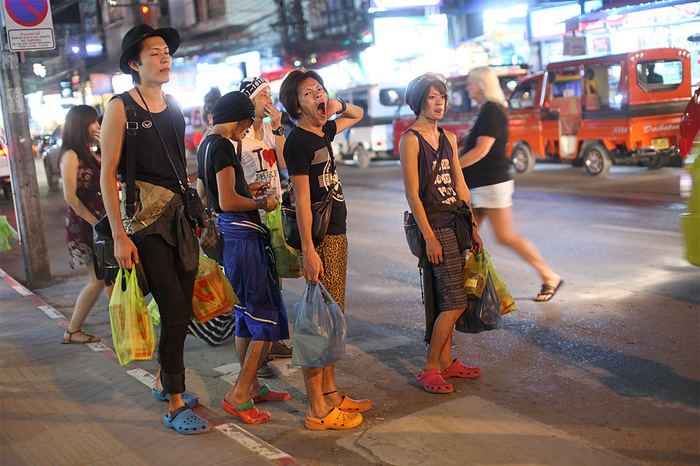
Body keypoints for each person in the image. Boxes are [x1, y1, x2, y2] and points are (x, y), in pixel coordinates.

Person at [100, 24, 210, 435]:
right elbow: (107, 176)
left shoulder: (174, 104)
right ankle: (176, 404)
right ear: (134, 63)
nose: (165, 59)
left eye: (167, 52)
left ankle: (167, 381)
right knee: (176, 310)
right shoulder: (120, 108)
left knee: (180, 312)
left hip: (179, 218)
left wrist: (197, 214)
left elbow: (179, 167)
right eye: (155, 53)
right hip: (144, 224)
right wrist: (118, 236)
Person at [279, 69, 370, 430]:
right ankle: (317, 409)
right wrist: (309, 251)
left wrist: (336, 105)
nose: (318, 96)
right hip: (320, 241)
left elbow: (357, 114)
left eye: (320, 90)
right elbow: (301, 201)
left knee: (332, 320)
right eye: (308, 94)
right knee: (319, 324)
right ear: (295, 106)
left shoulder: (322, 131)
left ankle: (332, 395)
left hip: (336, 236)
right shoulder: (297, 141)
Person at [197, 90, 291, 425]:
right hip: (242, 237)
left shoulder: (206, 143)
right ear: (238, 119)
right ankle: (238, 395)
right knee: (264, 315)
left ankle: (250, 387)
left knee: (245, 313)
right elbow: (226, 201)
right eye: (244, 126)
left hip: (231, 238)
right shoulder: (223, 145)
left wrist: (247, 191)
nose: (243, 133)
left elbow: (216, 192)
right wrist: (260, 203)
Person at [398, 72, 484, 395]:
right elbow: (412, 194)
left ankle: (447, 362)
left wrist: (472, 225)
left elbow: (460, 183)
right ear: (420, 102)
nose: (439, 103)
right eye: (432, 97)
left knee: (450, 295)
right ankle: (430, 367)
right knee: (455, 301)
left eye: (442, 97)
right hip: (434, 226)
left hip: (457, 223)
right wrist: (429, 237)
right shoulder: (410, 140)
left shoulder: (447, 138)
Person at [458, 66, 562, 302]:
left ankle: (549, 275)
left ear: (482, 85)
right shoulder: (485, 110)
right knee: (464, 239)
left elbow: (481, 150)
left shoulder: (493, 111)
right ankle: (466, 289)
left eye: (470, 83)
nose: (467, 88)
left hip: (491, 185)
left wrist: (453, 167)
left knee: (505, 236)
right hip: (478, 186)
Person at [239, 76, 293, 377]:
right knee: (256, 291)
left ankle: (271, 343)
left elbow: (284, 162)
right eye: (263, 96)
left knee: (278, 280)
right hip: (251, 219)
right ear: (249, 101)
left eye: (270, 94)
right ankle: (255, 362)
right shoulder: (239, 133)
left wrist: (279, 127)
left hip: (274, 215)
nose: (269, 100)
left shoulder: (269, 129)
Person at [59, 105, 113, 344]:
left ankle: (122, 326)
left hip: (98, 221)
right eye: (94, 122)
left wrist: (103, 146)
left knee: (109, 275)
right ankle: (73, 330)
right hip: (83, 224)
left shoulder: (88, 152)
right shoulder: (71, 155)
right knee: (99, 278)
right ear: (82, 125)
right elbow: (70, 196)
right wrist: (95, 223)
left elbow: (109, 173)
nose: (98, 126)